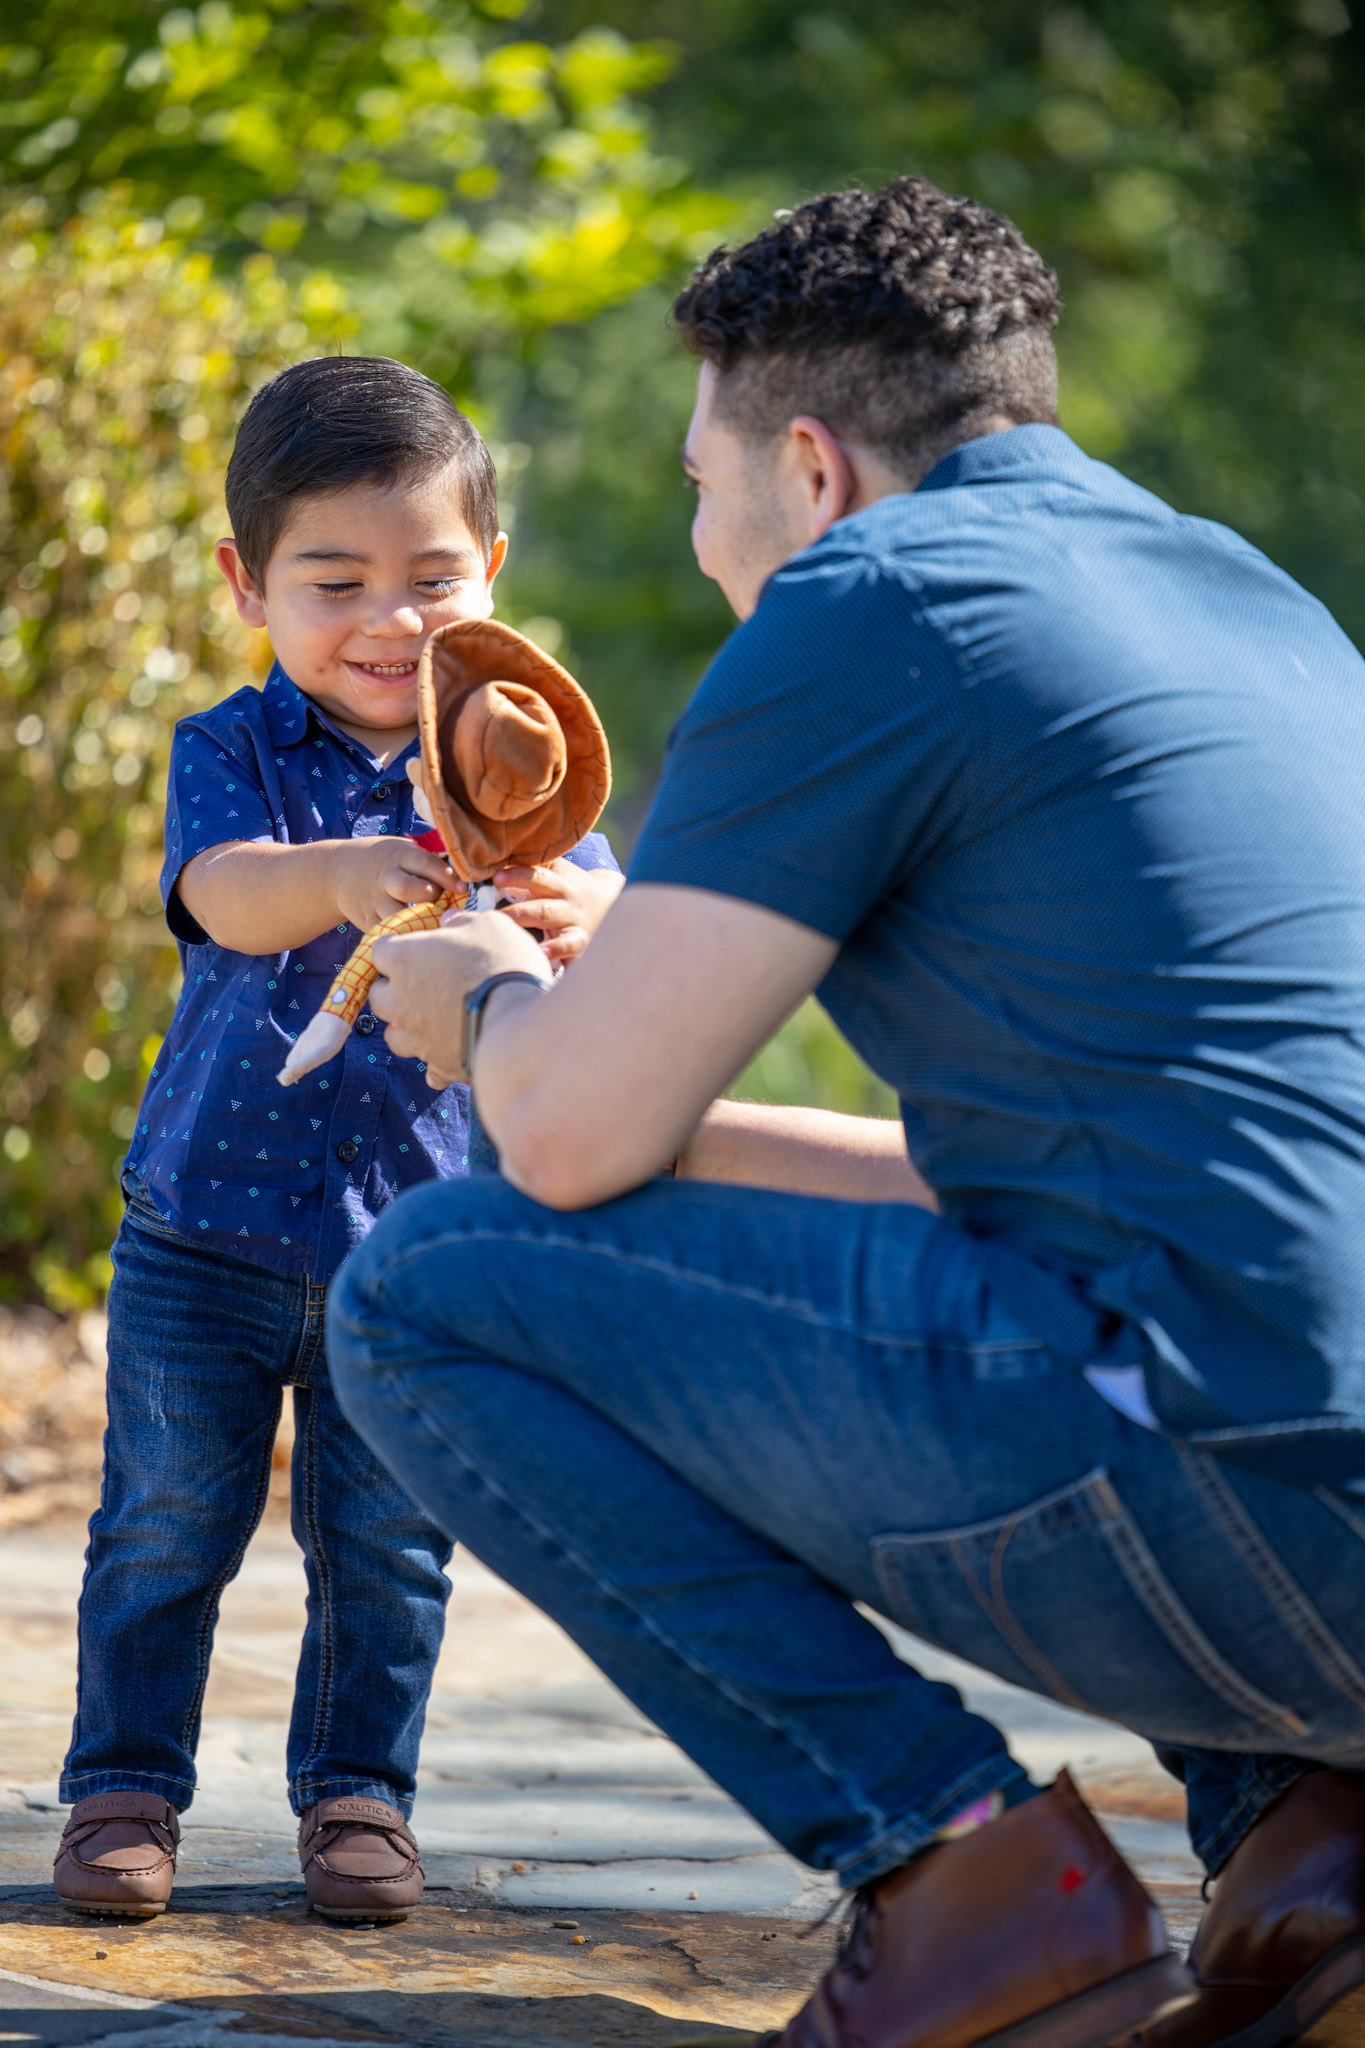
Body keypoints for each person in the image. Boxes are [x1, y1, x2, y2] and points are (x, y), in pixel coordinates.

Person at [326, 180, 1365, 2048]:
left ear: (808, 469)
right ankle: (1315, 1848)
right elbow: (1035, 1194)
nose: (705, 544)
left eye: (700, 485)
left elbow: (556, 1145)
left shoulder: (869, 598)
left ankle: (969, 1893)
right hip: (1316, 1509)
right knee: (1085, 1291)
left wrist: (485, 1003)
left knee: (426, 1287)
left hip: (1276, 1527)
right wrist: (615, 1049)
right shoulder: (1243, 593)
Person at [53, 356, 623, 1925]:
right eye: (334, 581)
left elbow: (611, 932)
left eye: (431, 578)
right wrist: (343, 872)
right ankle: (123, 1786)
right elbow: (219, 892)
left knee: (388, 1544)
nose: (390, 620)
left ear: (489, 570)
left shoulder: (518, 760)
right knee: (164, 1526)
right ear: (247, 585)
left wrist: (589, 919)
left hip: (415, 1246)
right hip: (205, 1234)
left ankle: (360, 1793)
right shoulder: (232, 749)